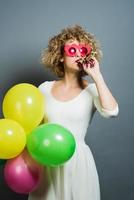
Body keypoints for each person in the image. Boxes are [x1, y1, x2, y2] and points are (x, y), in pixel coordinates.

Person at [28, 25, 119, 200]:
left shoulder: (93, 90)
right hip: (47, 163)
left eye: (83, 49)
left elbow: (112, 112)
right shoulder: (44, 89)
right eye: (72, 49)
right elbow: (34, 129)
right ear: (61, 56)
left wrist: (97, 75)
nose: (78, 53)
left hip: (77, 164)